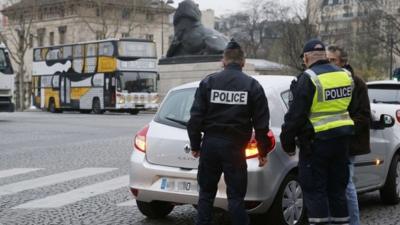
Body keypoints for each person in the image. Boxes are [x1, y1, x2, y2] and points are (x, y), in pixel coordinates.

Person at [187, 39, 272, 225]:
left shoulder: (209, 82)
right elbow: (261, 125)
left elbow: (194, 119)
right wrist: (263, 151)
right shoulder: (252, 86)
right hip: (235, 148)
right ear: (243, 62)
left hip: (210, 145)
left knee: (206, 195)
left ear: (223, 61)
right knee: (235, 198)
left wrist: (195, 144)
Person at [280, 39, 354, 225]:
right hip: (342, 142)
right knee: (338, 190)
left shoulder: (308, 78)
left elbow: (295, 116)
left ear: (306, 57)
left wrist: (287, 143)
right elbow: (349, 107)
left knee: (315, 191)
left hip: (316, 144)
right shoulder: (345, 75)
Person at [327, 45, 371, 225]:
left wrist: (344, 129)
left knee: (346, 187)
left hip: (347, 143)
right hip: (329, 142)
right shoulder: (326, 81)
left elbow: (363, 116)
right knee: (332, 187)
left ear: (343, 62)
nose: (329, 64)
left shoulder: (357, 83)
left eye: (332, 60)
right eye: (327, 60)